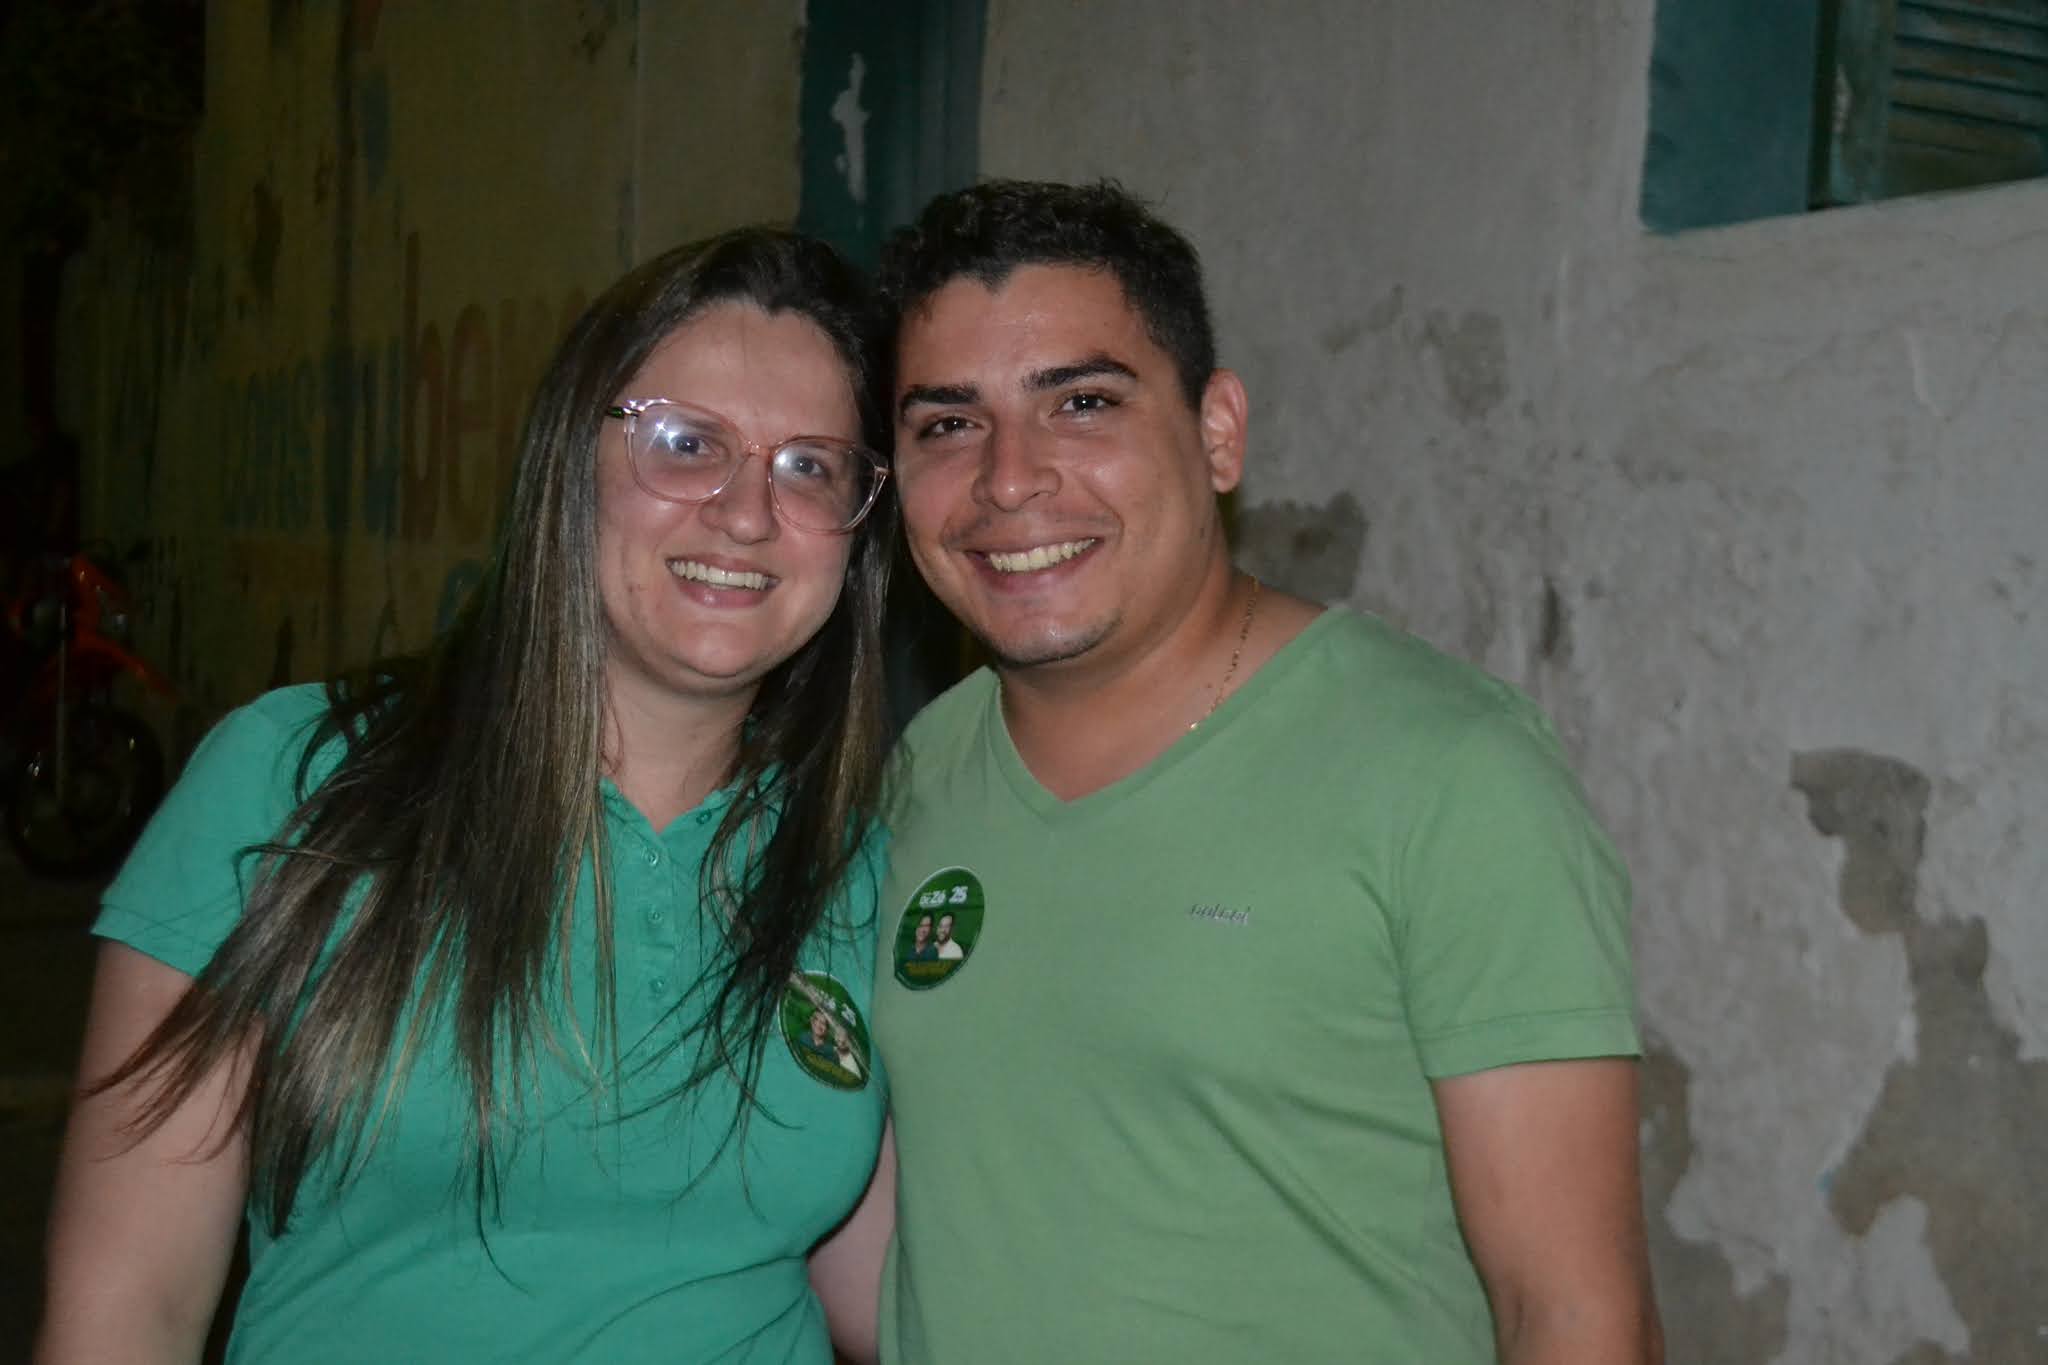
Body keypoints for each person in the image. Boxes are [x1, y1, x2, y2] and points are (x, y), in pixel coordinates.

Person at [37, 228, 901, 1364]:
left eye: (810, 467)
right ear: (569, 462)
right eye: (685, 443)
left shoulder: (855, 858)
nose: (746, 512)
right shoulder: (297, 779)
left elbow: (891, 1300)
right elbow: (125, 1310)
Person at [868, 180, 1661, 1363]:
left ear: (1217, 433)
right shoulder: (920, 774)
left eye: (1081, 403)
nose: (1008, 478)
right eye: (946, 424)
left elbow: (1573, 1314)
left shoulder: (1444, 773)